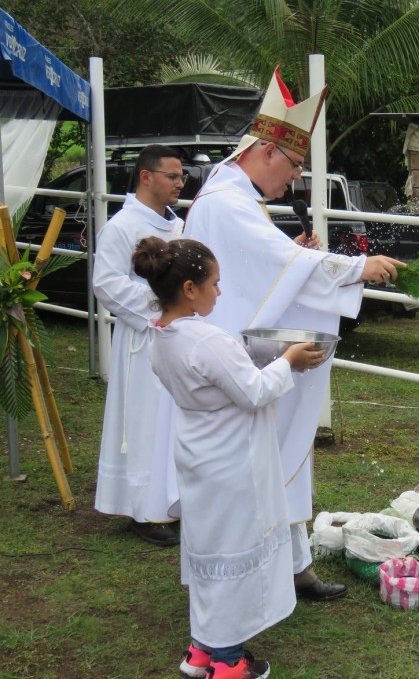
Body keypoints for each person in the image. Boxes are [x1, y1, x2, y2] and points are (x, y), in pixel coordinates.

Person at [183, 67, 404, 601]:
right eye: (295, 166)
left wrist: (297, 259)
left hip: (245, 353)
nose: (296, 180)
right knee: (257, 461)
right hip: (231, 364)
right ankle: (250, 575)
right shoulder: (225, 202)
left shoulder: (234, 195)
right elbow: (266, 261)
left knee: (280, 455)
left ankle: (293, 564)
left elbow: (266, 264)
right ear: (265, 152)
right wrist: (356, 267)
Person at [133, 235, 325, 679]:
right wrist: (290, 360)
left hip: (199, 454)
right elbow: (253, 392)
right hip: (232, 463)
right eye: (215, 283)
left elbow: (220, 383)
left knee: (209, 552)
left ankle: (201, 649)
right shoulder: (206, 340)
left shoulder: (159, 332)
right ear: (189, 289)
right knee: (236, 554)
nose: (220, 291)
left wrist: (265, 359)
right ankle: (229, 659)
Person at [92, 144, 187, 546]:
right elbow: (106, 284)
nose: (180, 183)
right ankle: (142, 508)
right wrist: (160, 306)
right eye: (172, 176)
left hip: (179, 334)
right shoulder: (121, 227)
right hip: (143, 336)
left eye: (181, 177)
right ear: (146, 177)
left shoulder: (179, 225)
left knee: (176, 419)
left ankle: (174, 500)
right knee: (146, 420)